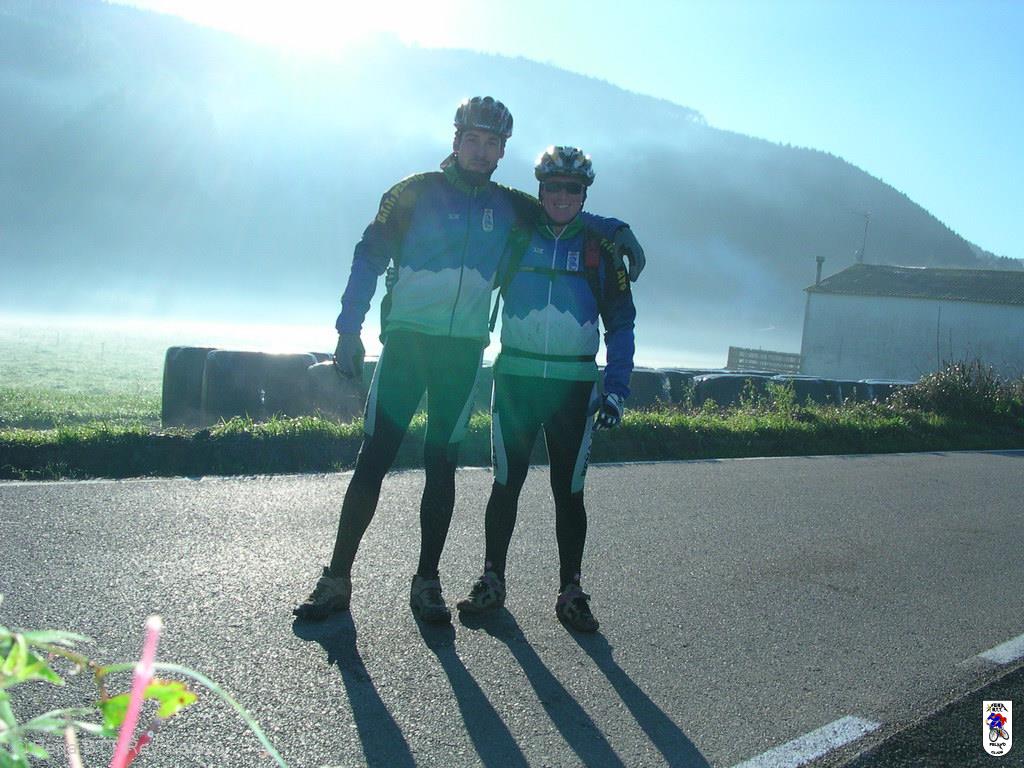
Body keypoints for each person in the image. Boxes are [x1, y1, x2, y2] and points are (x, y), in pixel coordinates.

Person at [294, 98, 644, 624]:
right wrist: (348, 326)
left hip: (462, 354)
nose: (481, 151)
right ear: (456, 140)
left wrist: (616, 229)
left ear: (502, 151)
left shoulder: (511, 207)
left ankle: (427, 582)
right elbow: (368, 255)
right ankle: (335, 578)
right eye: (473, 140)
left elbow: (566, 211)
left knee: (442, 465)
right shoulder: (412, 193)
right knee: (375, 457)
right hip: (408, 346)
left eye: (492, 143)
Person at [456, 146, 636, 632]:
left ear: (584, 194)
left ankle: (571, 591)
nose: (561, 196)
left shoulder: (600, 248)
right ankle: (492, 580)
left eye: (572, 188)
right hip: (516, 379)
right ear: (539, 189)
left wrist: (616, 389)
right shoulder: (517, 236)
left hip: (574, 388)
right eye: (552, 186)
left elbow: (621, 323)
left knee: (569, 492)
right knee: (505, 484)